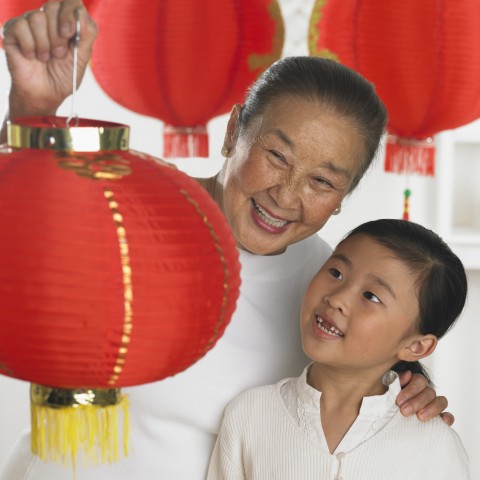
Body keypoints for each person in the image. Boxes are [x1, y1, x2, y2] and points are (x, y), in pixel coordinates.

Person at [0, 2, 453, 478]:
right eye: (277, 155)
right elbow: (21, 246)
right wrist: (32, 110)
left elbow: (354, 395)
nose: (286, 195)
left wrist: (407, 394)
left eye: (323, 182)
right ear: (235, 130)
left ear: (344, 197)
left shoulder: (328, 291)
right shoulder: (128, 205)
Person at [207, 219, 469, 479]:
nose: (337, 298)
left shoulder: (435, 446)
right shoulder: (249, 415)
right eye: (336, 273)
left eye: (371, 296)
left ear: (416, 346)